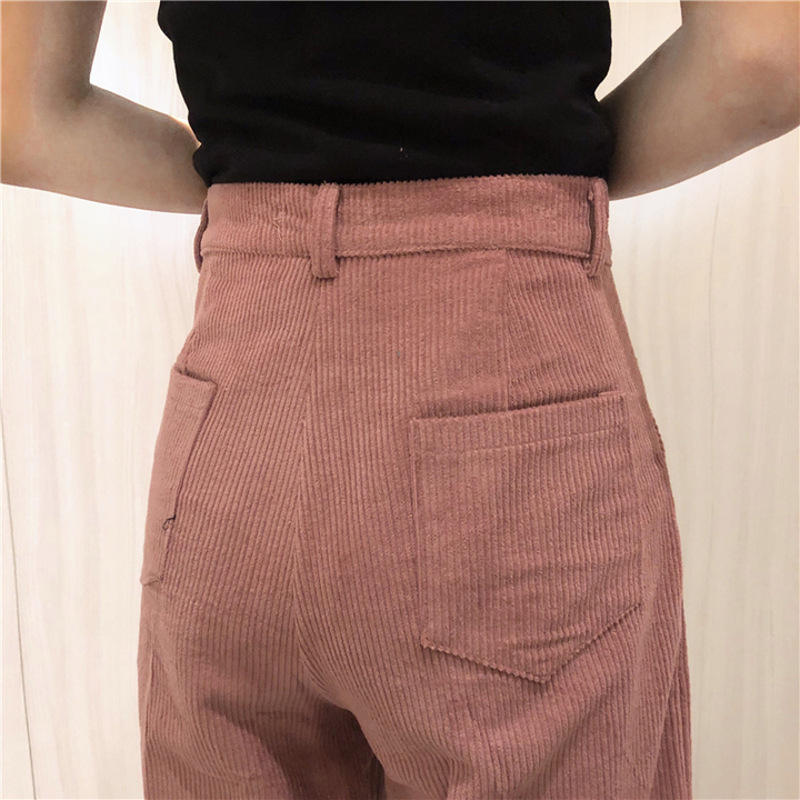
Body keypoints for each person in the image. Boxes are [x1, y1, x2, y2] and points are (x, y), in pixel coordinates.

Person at [2, 2, 798, 799]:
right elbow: (764, 57)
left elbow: (22, 117)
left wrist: (252, 184)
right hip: (505, 367)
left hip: (238, 406)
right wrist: (554, 163)